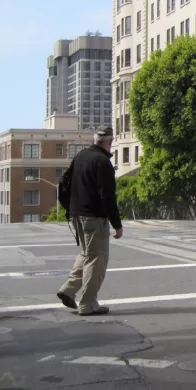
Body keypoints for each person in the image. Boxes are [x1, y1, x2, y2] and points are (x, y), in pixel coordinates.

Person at [57, 127, 123, 316]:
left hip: (77, 214)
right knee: (96, 259)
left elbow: (65, 182)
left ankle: (68, 290)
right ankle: (88, 304)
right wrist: (117, 224)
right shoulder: (103, 163)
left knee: (86, 254)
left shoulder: (81, 157)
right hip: (94, 217)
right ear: (109, 143)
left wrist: (70, 209)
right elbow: (107, 197)